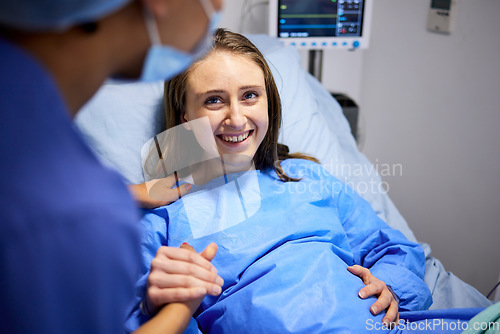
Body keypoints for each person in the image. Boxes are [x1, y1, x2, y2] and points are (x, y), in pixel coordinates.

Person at [126, 28, 433, 333]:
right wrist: (159, 306)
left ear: (268, 103)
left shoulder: (307, 177)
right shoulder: (163, 223)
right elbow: (129, 317)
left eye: (249, 96)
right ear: (185, 118)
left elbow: (394, 248)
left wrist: (390, 286)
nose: (236, 118)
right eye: (214, 101)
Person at [0, 0, 224, 333]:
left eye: (251, 95)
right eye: (215, 100)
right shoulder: (82, 217)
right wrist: (179, 308)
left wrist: (130, 193)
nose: (218, 6)